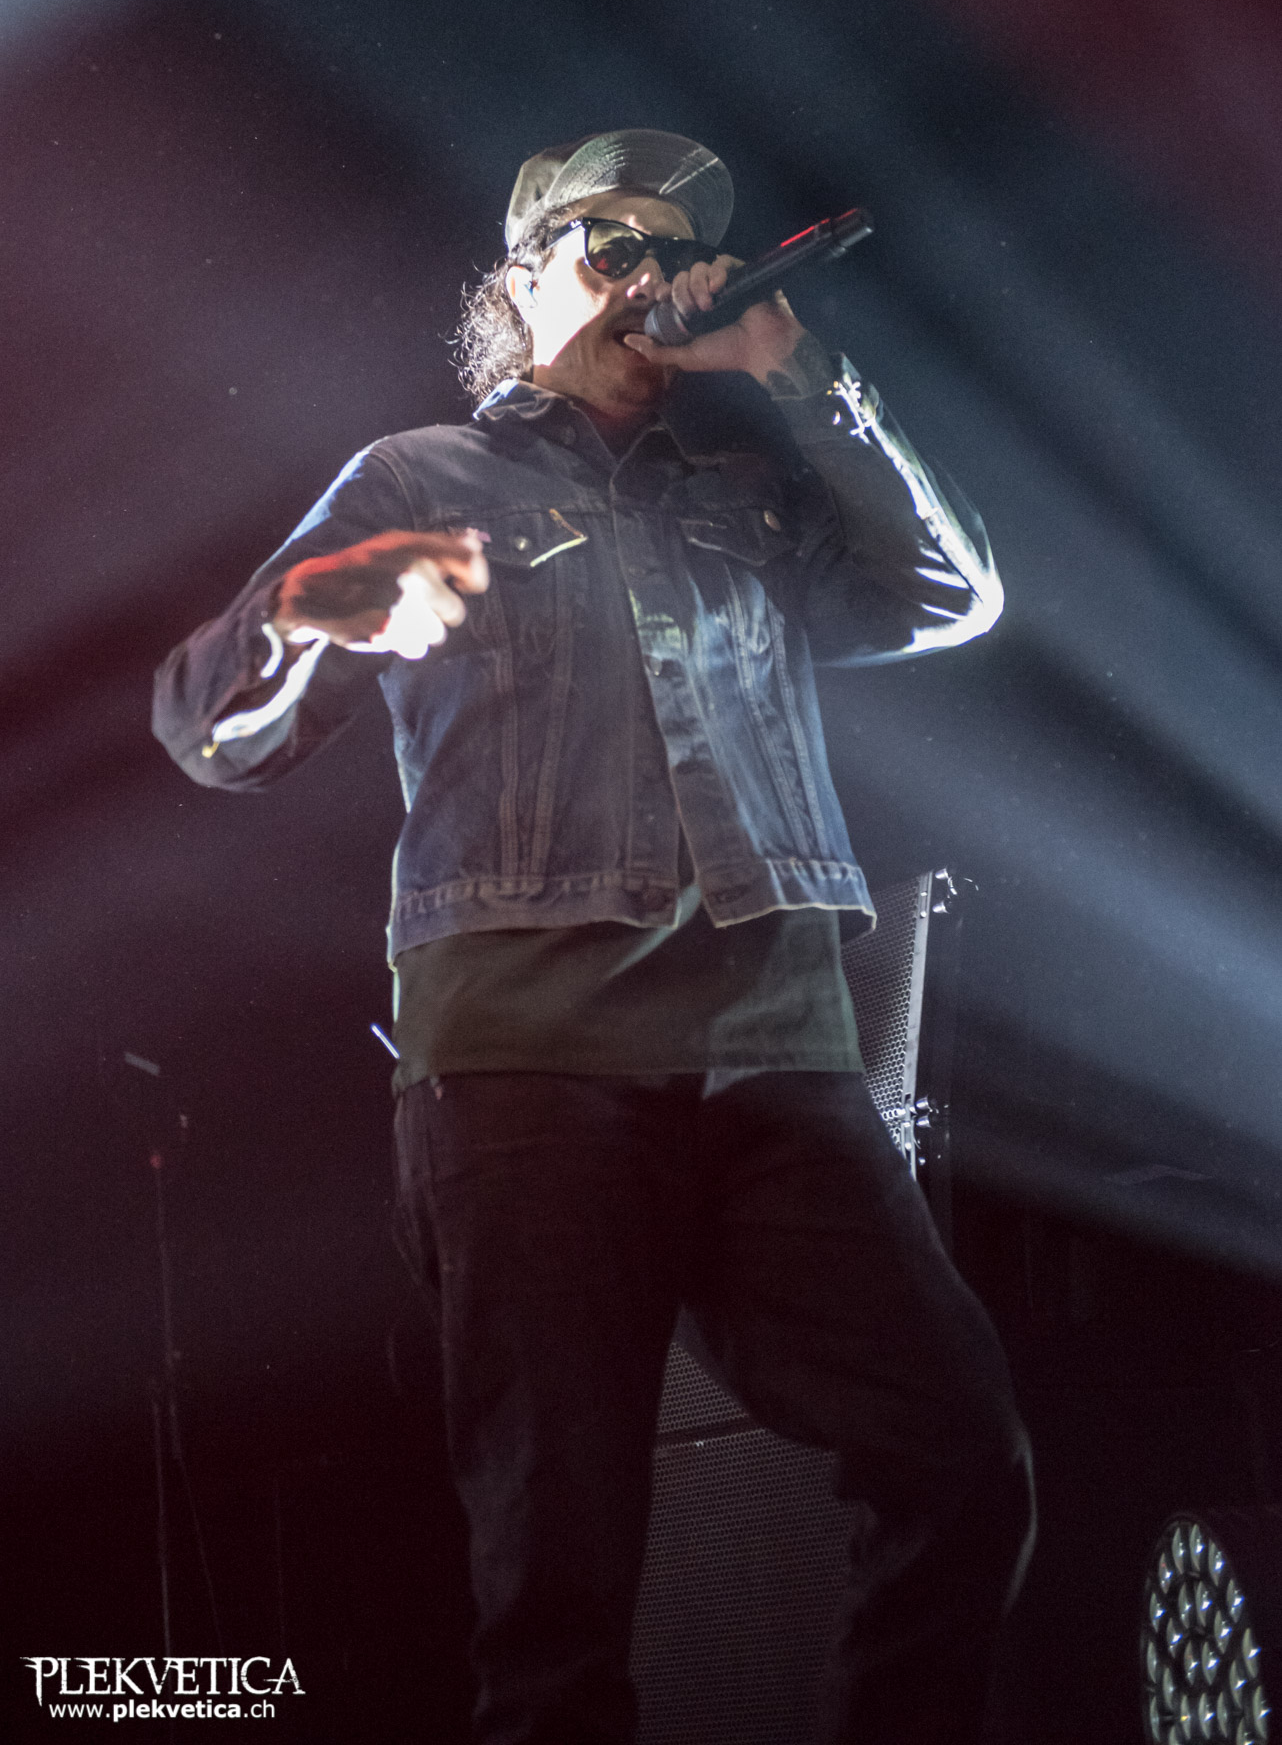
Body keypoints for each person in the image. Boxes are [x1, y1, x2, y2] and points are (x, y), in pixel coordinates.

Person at [154, 129, 1034, 1745]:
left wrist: (803, 378)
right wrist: (315, 611)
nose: (647, 273)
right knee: (558, 1586)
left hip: (772, 1063)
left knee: (961, 1462)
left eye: (669, 249)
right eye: (607, 243)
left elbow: (947, 596)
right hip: (530, 1072)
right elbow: (212, 732)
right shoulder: (420, 476)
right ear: (523, 281)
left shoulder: (744, 488)